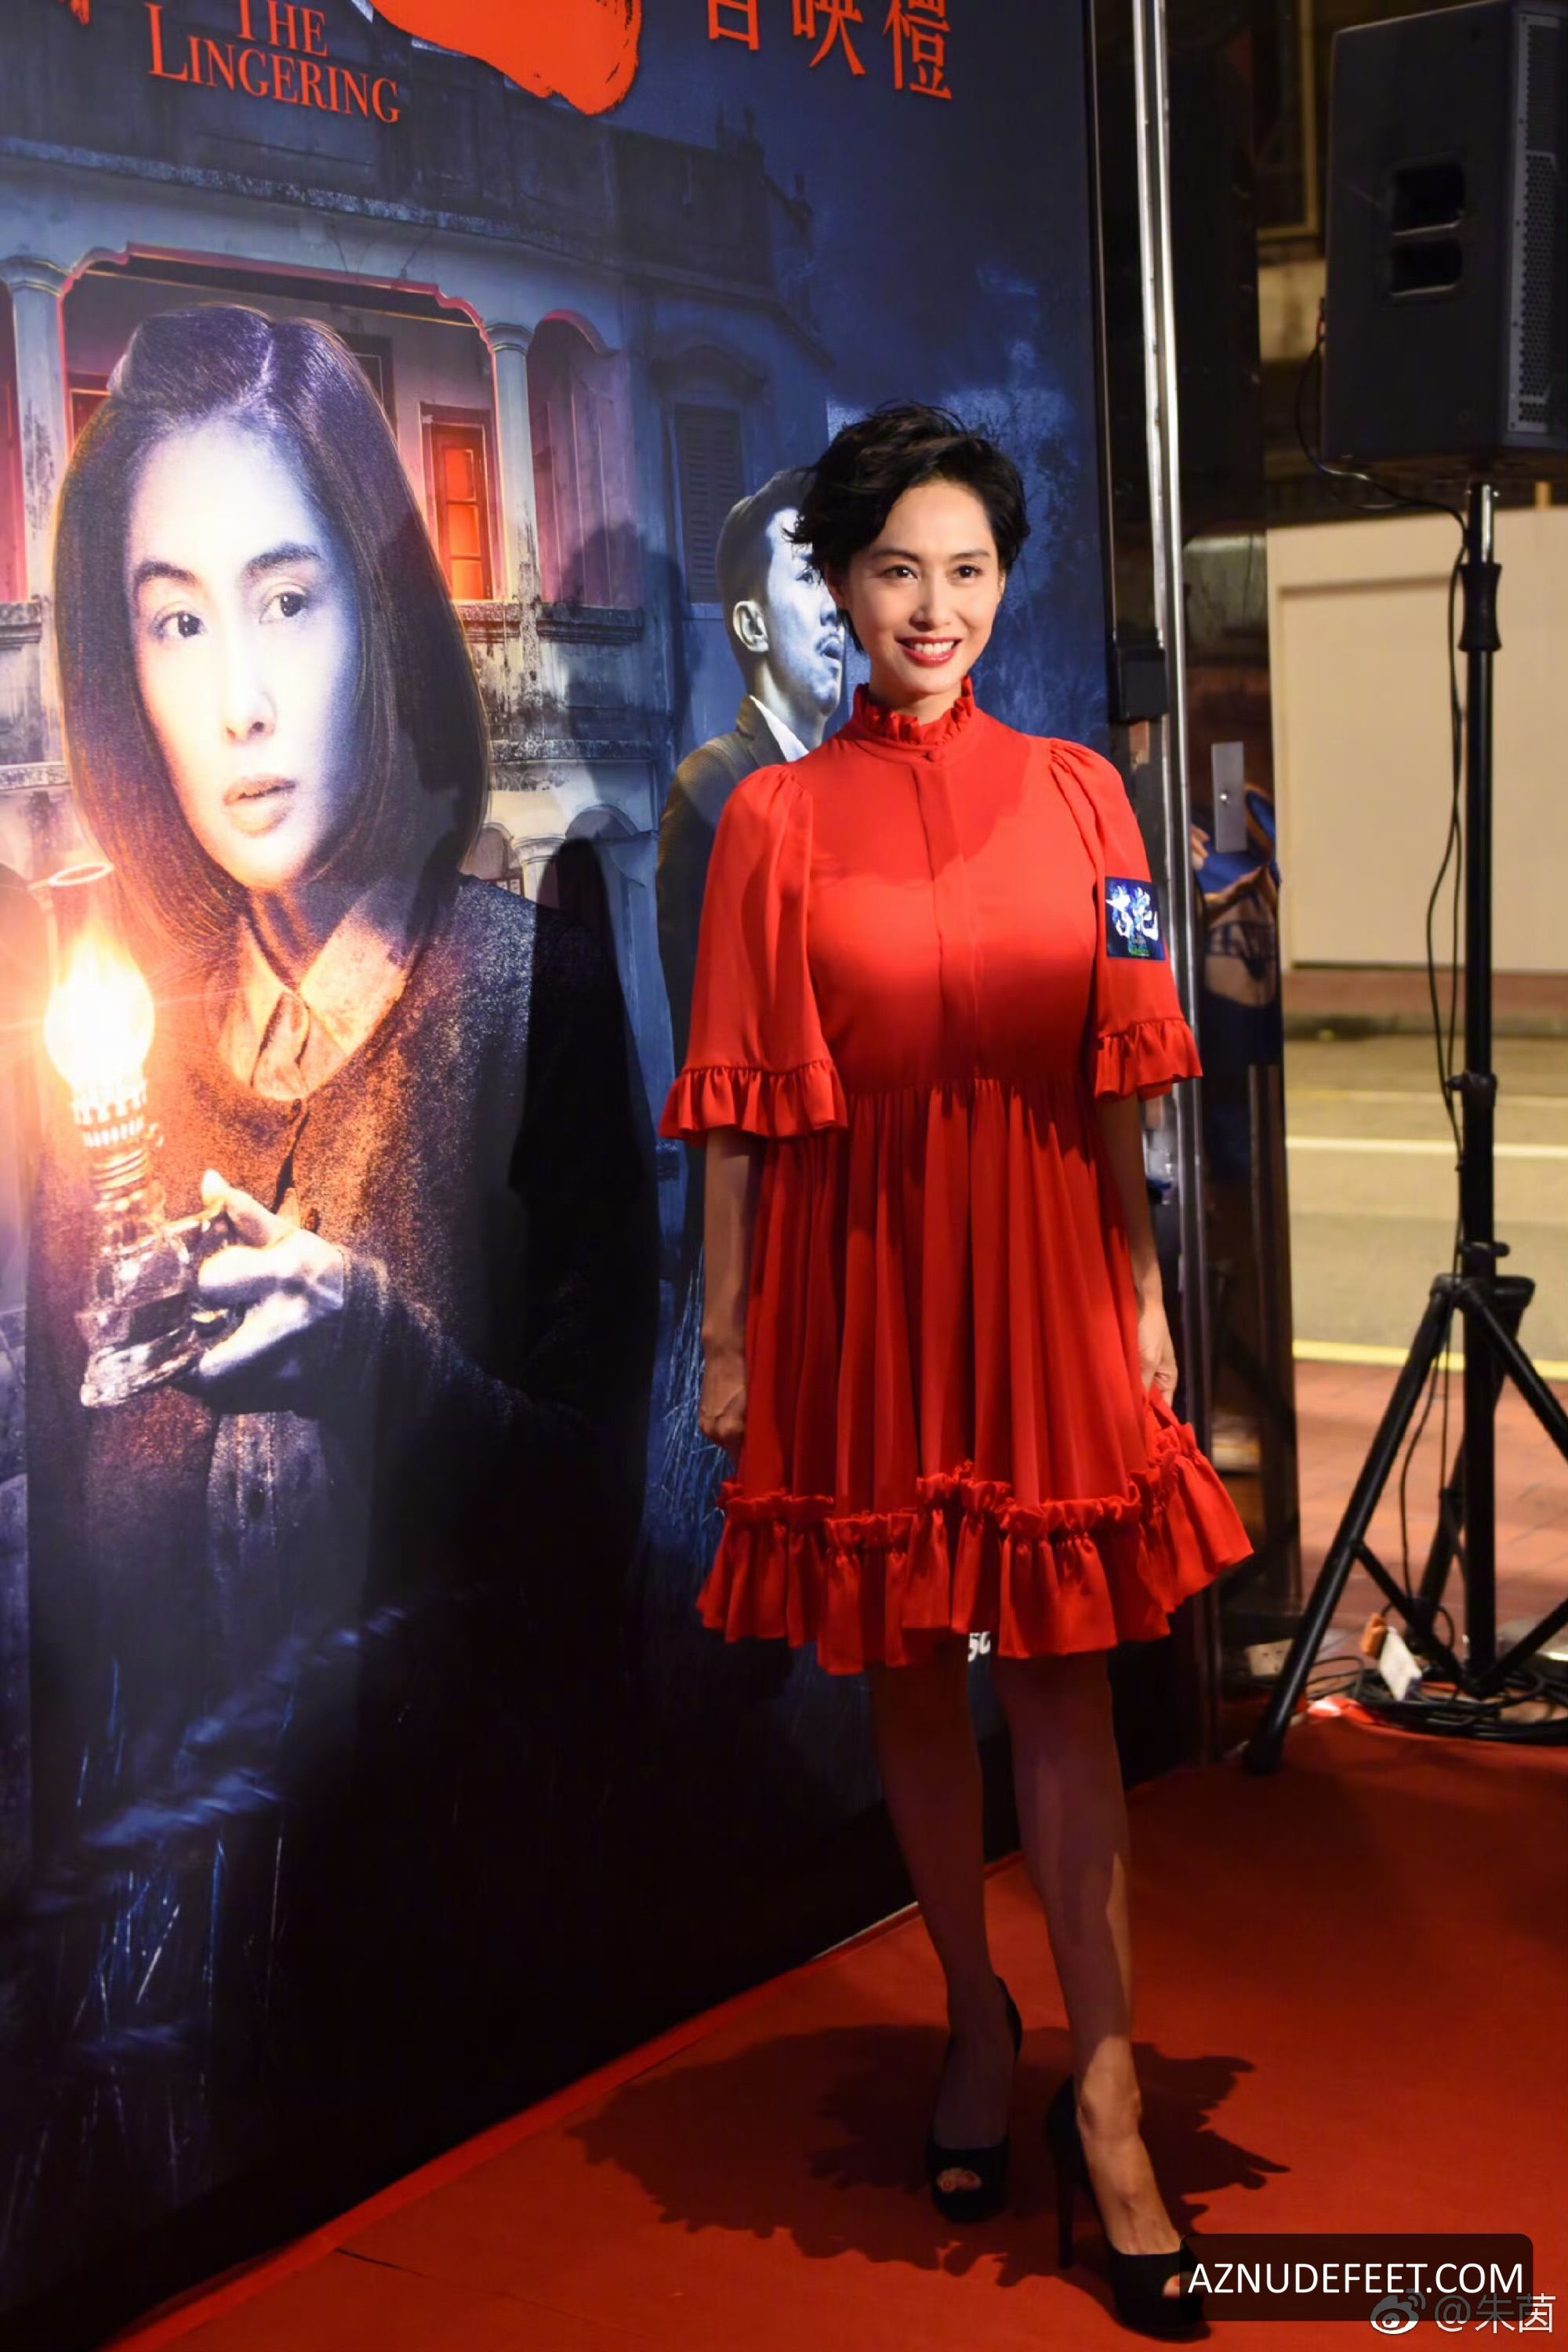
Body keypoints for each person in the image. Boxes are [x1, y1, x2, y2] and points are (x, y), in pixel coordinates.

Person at [20, 303, 652, 2270]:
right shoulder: (97, 1039)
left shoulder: (527, 991)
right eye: (175, 619)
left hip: (447, 1970)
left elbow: (592, 1533)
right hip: (142, 2013)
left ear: (380, 616)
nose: (238, 700)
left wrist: (380, 1364)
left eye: (286, 602)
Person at [660, 403, 1252, 2336]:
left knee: (1065, 1680)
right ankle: (973, 2018)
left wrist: (1139, 1292)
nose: (934, 605)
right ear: (839, 589)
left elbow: (1127, 1072)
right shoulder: (770, 825)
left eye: (969, 569)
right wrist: (729, 1336)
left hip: (1049, 1268)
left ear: (1007, 583)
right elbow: (737, 1113)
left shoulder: (1087, 800)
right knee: (913, 1677)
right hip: (861, 1285)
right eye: (896, 570)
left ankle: (1108, 2089)